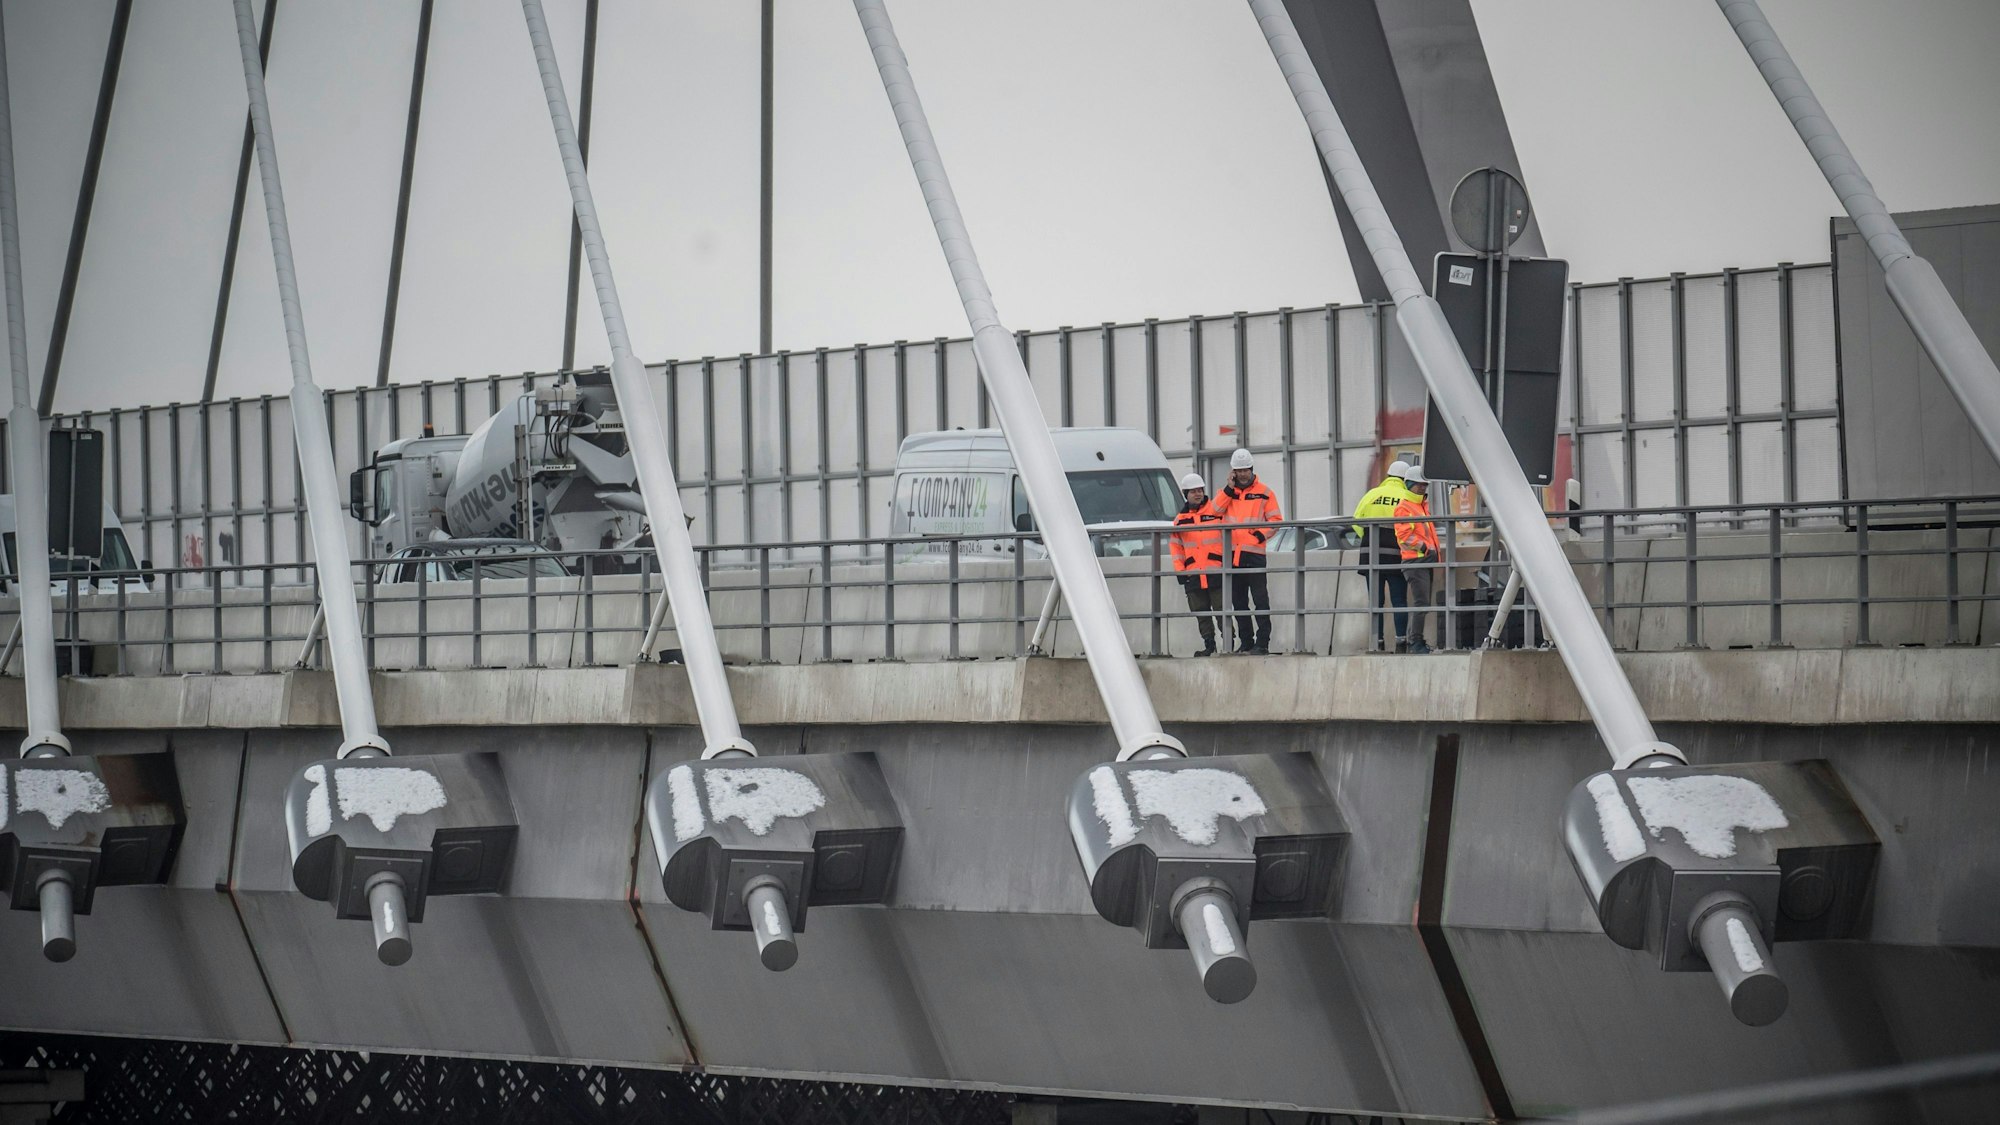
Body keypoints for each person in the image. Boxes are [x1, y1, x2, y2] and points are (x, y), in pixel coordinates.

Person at [1212, 448, 1282, 654]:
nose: (1243, 474)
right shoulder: (1225, 494)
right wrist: (1228, 489)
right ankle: (1246, 642)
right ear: (1233, 472)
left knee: (1260, 600)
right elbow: (1213, 512)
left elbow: (1276, 520)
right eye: (1238, 470)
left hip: (1254, 554)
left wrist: (1259, 535)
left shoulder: (1265, 492)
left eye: (1245, 470)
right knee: (1238, 602)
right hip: (1232, 555)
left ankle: (1262, 642)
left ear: (1252, 469)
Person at [1350, 460, 1413, 650]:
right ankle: (1401, 641)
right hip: (1395, 555)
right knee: (1399, 600)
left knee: (1375, 602)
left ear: (1388, 476)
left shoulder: (1372, 494)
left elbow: (1356, 521)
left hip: (1370, 555)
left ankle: (1377, 643)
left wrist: (1368, 538)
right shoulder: (1405, 496)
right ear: (1405, 479)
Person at [1169, 472, 1226, 656]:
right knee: (1201, 612)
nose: (1198, 494)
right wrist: (1180, 572)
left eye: (1200, 490)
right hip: (1193, 574)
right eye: (1193, 491)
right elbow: (1176, 548)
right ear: (1186, 494)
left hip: (1216, 571)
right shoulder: (1180, 520)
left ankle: (1229, 644)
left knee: (1221, 610)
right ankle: (1209, 645)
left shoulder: (1215, 512)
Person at [1392, 466, 1439, 654]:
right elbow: (1404, 536)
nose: (1423, 488)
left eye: (1424, 485)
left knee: (1423, 602)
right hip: (1415, 561)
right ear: (1409, 484)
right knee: (1421, 602)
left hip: (1424, 560)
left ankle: (1415, 641)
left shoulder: (1421, 506)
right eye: (1419, 484)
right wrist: (1424, 548)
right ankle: (1415, 642)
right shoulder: (1405, 507)